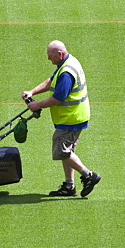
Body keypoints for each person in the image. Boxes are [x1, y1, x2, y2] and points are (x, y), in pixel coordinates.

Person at [23, 40, 101, 197]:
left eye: (50, 56)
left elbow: (58, 98)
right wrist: (32, 92)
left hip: (71, 117)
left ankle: (88, 175)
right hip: (73, 115)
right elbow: (51, 81)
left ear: (59, 54)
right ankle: (69, 186)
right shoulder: (67, 63)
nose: (48, 59)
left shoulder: (66, 72)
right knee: (68, 152)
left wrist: (37, 105)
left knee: (62, 151)